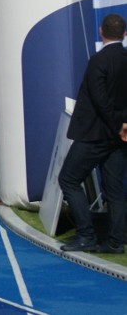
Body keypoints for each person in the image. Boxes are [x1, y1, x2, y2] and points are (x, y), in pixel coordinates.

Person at [58, 14, 127, 253]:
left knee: (67, 179)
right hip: (118, 137)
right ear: (124, 34)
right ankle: (117, 241)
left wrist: (117, 124)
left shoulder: (99, 60)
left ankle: (86, 235)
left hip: (95, 134)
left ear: (100, 31)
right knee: (115, 190)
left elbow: (100, 99)